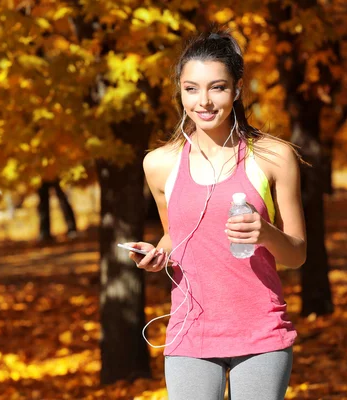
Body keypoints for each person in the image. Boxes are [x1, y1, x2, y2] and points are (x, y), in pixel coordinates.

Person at [125, 30, 306, 400]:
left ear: (237, 89)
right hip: (189, 333)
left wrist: (266, 233)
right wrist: (157, 254)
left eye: (217, 88)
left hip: (260, 333)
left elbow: (297, 255)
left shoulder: (274, 157)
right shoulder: (159, 164)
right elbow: (176, 234)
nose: (203, 102)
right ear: (180, 91)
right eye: (191, 89)